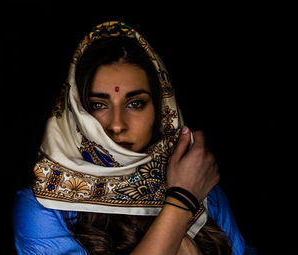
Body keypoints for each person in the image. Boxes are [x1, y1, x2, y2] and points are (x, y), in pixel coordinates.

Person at [13, 21, 247, 254]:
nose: (117, 125)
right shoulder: (45, 205)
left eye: (135, 104)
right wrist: (181, 204)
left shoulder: (201, 188)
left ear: (162, 111)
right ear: (76, 112)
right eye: (98, 105)